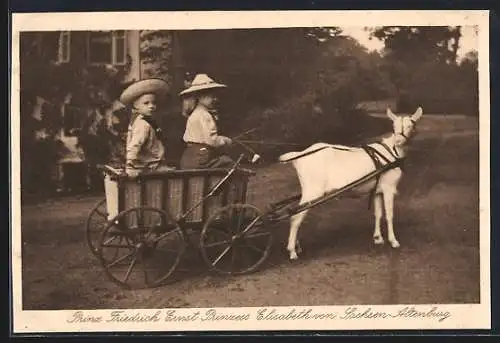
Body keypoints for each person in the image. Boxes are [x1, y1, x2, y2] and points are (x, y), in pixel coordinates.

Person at [119, 78, 176, 176]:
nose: (151, 106)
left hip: (150, 162)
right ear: (136, 106)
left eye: (154, 103)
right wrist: (130, 163)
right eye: (146, 103)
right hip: (150, 166)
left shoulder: (143, 120)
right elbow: (135, 144)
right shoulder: (143, 124)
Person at [179, 74, 235, 169]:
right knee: (228, 163)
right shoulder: (204, 115)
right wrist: (224, 140)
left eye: (215, 97)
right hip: (201, 158)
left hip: (188, 158)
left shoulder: (194, 114)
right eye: (212, 97)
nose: (215, 99)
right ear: (200, 97)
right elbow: (211, 140)